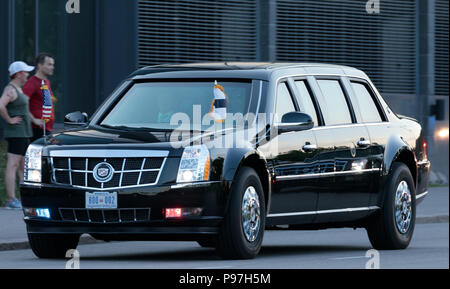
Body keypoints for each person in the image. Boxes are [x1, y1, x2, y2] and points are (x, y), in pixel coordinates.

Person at [0, 61, 44, 209]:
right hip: (16, 133)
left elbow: (24, 110)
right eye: (25, 72)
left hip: (24, 132)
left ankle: (22, 198)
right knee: (13, 165)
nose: (27, 74)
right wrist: (9, 120)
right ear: (18, 74)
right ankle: (11, 200)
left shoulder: (18, 89)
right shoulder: (10, 89)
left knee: (22, 167)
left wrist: (34, 120)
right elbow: (0, 105)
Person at [23, 53, 56, 143]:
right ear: (39, 65)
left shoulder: (46, 81)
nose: (52, 67)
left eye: (53, 65)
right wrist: (33, 119)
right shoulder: (32, 83)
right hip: (36, 130)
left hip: (46, 129)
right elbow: (21, 104)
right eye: (49, 64)